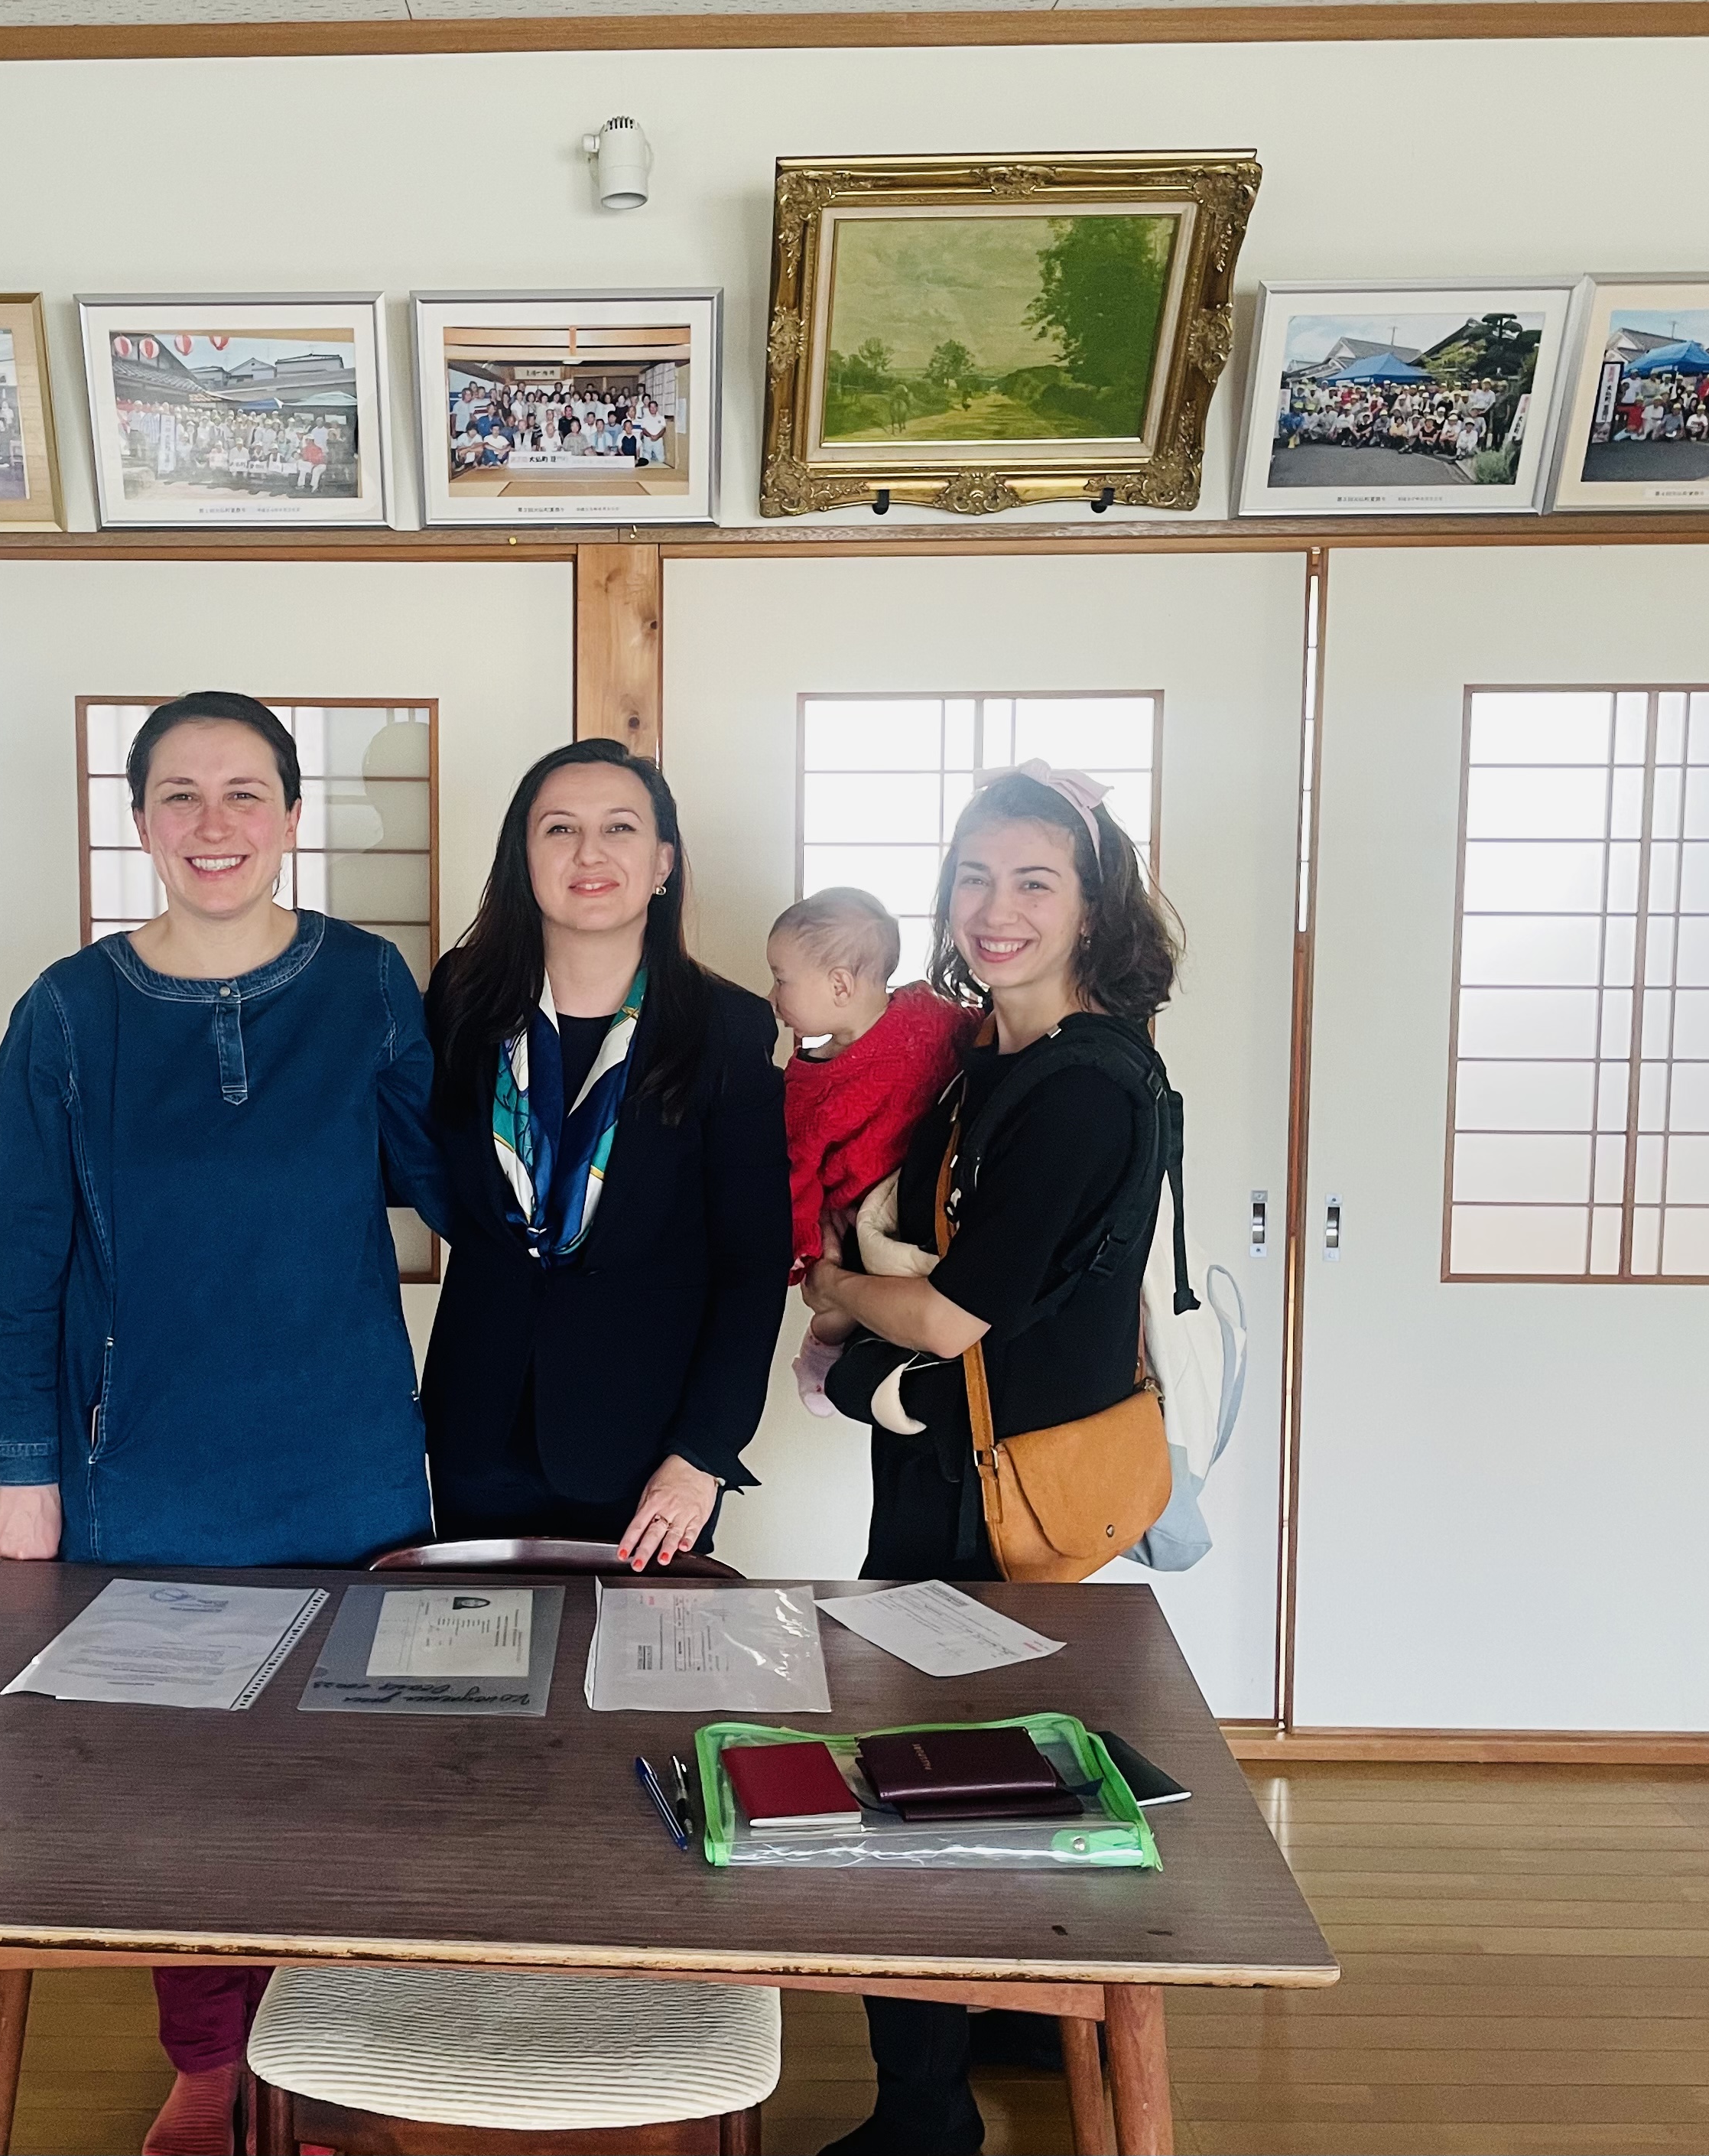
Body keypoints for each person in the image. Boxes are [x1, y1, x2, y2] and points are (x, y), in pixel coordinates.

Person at [0, 689, 450, 2156]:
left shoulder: (364, 983)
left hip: (347, 1454)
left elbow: (456, 1184)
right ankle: (212, 2059)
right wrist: (26, 1466)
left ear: (292, 817)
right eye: (180, 794)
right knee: (175, 1788)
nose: (213, 822)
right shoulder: (68, 1011)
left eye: (245, 793)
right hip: (145, 1467)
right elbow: (17, 1256)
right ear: (139, 822)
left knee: (351, 1775)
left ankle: (334, 2051)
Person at [801, 762, 1185, 2156]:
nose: (995, 907)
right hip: (974, 1462)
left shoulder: (1079, 1086)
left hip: (989, 1484)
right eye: (974, 876)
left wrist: (831, 1292)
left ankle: (922, 2113)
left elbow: (954, 1313)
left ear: (1091, 905)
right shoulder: (991, 1058)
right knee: (999, 1761)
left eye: (1034, 880)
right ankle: (1010, 2014)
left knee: (905, 1780)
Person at [419, 738, 789, 1566]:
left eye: (619, 828)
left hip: (651, 1453)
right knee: (484, 1647)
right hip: (477, 1428)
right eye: (559, 829)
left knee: (643, 1650)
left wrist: (703, 1454)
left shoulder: (725, 1028)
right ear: (523, 857)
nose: (590, 853)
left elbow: (752, 1263)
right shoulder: (462, 1001)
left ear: (663, 862)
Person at [766, 887, 976, 1417]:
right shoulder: (808, 1083)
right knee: (838, 1305)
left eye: (781, 979)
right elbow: (797, 1174)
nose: (772, 996)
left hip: (928, 1196)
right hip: (857, 1220)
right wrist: (807, 1250)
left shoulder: (926, 1017)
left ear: (840, 984)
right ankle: (820, 1357)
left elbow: (980, 1033)